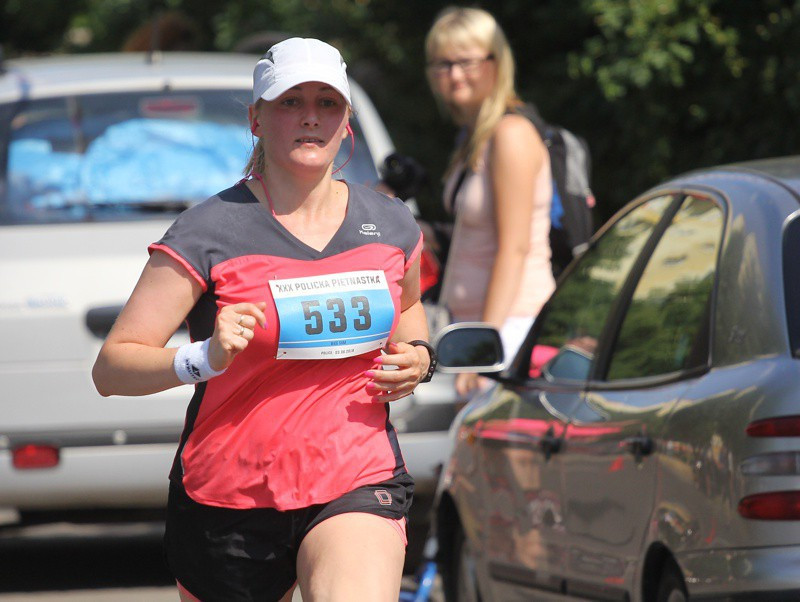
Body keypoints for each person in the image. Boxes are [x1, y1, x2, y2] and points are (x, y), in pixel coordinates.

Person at [92, 37, 435, 602]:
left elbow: (411, 305)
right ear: (256, 118)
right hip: (230, 495)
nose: (310, 117)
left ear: (346, 119)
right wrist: (205, 357)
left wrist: (418, 358)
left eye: (327, 103)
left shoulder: (391, 223)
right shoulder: (210, 230)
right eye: (289, 102)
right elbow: (113, 368)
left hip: (354, 475)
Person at [425, 6, 556, 395]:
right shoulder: (474, 137)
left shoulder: (510, 134)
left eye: (466, 61)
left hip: (509, 329)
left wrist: (484, 345)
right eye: (441, 64)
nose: (453, 74)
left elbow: (513, 248)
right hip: (478, 328)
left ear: (496, 62)